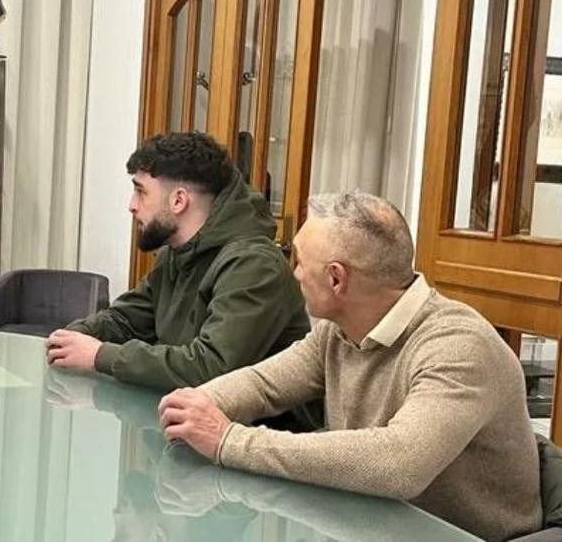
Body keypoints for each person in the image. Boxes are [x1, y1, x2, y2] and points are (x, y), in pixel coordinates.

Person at [158, 191, 541, 541]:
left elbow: (399, 463)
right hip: (375, 526)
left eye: (298, 262)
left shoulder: (458, 347)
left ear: (337, 279)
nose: (293, 274)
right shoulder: (338, 332)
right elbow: (266, 383)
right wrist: (199, 403)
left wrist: (230, 441)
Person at [47, 133, 312, 403]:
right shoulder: (176, 255)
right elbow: (126, 319)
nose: (131, 205)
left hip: (259, 436)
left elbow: (211, 367)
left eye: (141, 191)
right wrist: (78, 335)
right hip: (189, 422)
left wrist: (99, 355)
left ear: (178, 200)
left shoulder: (255, 265)